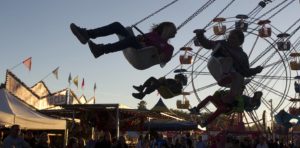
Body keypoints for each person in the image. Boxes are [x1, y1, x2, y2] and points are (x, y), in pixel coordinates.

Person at [194, 29, 263, 104]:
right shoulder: (222, 43)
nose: (230, 39)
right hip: (216, 65)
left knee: (239, 77)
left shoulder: (243, 55)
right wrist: (200, 35)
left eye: (233, 38)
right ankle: (225, 76)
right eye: (229, 37)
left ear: (240, 41)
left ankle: (230, 97)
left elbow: (245, 72)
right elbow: (208, 44)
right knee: (228, 60)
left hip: (230, 76)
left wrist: (256, 70)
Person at [70, 21, 177, 64]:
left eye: (171, 31)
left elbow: (161, 59)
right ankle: (87, 34)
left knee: (131, 39)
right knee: (117, 26)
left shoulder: (169, 47)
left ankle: (101, 50)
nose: (168, 31)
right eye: (167, 28)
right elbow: (141, 39)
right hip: (137, 45)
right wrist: (141, 39)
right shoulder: (153, 35)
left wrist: (155, 48)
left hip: (144, 56)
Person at [189, 90, 262, 127]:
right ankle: (197, 109)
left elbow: (246, 109)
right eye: (257, 95)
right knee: (210, 97)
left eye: (258, 96)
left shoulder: (251, 103)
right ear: (254, 95)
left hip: (230, 108)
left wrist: (240, 105)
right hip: (224, 102)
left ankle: (206, 122)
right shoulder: (245, 97)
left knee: (221, 108)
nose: (257, 97)